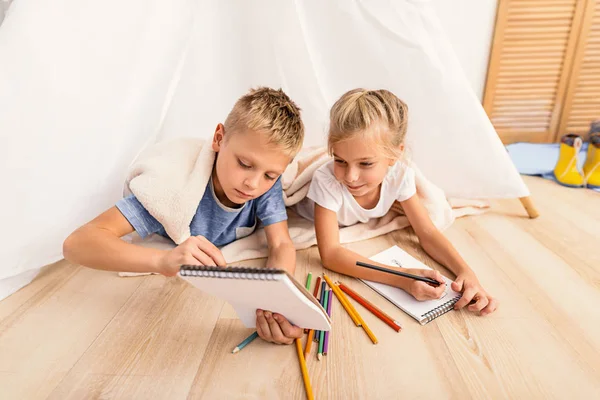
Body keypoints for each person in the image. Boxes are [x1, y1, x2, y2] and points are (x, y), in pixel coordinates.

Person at [63, 87, 307, 343]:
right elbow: (77, 243)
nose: (253, 184)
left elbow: (280, 243)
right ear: (219, 138)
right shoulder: (170, 189)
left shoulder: (265, 185)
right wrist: (162, 261)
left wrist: (276, 302)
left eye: (270, 175)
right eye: (244, 164)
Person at [299, 89, 497, 316]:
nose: (351, 176)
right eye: (340, 160)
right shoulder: (327, 180)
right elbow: (331, 254)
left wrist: (466, 272)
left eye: (365, 164)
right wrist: (401, 279)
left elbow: (427, 233)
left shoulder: (400, 175)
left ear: (395, 155)